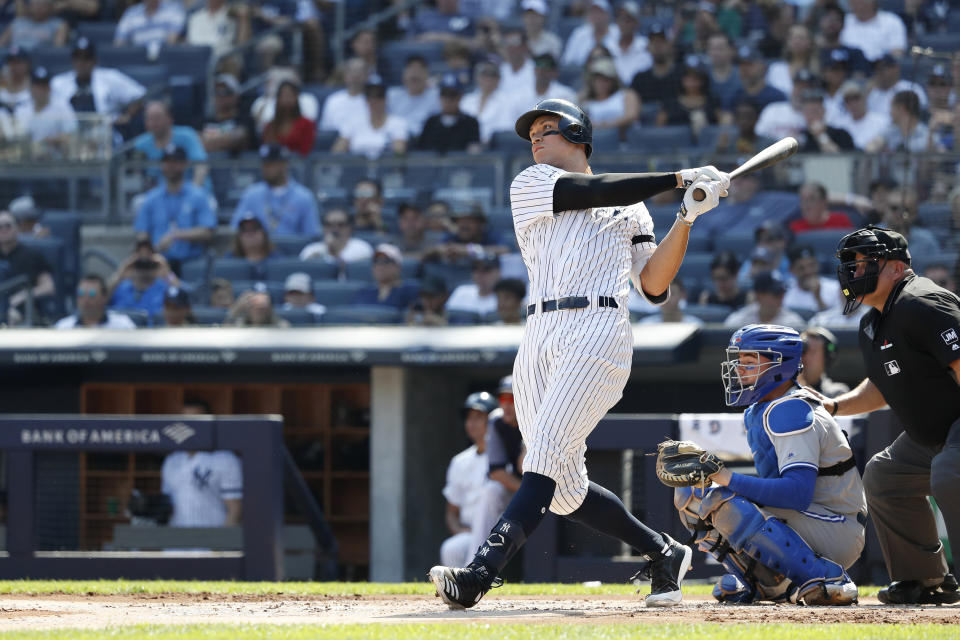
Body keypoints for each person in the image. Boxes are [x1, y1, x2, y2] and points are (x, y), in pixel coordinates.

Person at [428, 97, 730, 609]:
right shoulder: (532, 183)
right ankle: (662, 551)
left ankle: (480, 573)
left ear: (577, 133)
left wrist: (687, 215)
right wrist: (678, 177)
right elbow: (589, 190)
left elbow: (653, 286)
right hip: (539, 333)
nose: (536, 139)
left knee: (541, 457)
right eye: (532, 133)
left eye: (547, 129)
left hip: (599, 328)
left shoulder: (631, 207)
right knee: (564, 489)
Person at [672, 324, 863, 605]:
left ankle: (827, 577)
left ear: (779, 365)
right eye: (738, 361)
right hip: (812, 521)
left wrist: (725, 477)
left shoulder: (791, 409)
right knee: (692, 496)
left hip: (837, 527)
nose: (739, 369)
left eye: (749, 362)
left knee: (723, 499)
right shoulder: (764, 408)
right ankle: (766, 582)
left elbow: (796, 494)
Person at [819, 226, 960, 605]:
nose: (853, 271)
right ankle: (925, 578)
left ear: (896, 267)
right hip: (936, 433)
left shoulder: (923, 301)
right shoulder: (871, 322)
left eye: (864, 262)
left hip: (955, 429)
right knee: (885, 475)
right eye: (850, 264)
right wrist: (834, 406)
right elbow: (881, 386)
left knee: (951, 471)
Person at [463, 376, 525, 567]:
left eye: (512, 400)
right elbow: (496, 472)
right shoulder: (496, 421)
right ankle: (473, 566)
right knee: (492, 490)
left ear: (524, 400)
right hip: (522, 488)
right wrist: (529, 493)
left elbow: (525, 465)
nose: (506, 405)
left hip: (552, 490)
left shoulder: (537, 418)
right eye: (503, 399)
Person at [162, 399, 243, 528]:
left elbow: (235, 509)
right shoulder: (172, 460)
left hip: (211, 540)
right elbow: (166, 505)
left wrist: (223, 545)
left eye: (194, 421)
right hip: (176, 542)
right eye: (185, 421)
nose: (188, 427)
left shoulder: (225, 458)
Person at [133, 144, 216, 270]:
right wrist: (150, 250)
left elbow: (208, 231)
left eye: (175, 162)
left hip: (192, 263)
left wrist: (176, 235)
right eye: (167, 161)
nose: (171, 166)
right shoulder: (151, 198)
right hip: (158, 263)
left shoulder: (198, 195)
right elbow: (142, 233)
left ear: (184, 164)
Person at [440, 391, 498, 568]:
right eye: (469, 417)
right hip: (470, 531)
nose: (471, 423)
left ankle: (470, 582)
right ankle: (458, 590)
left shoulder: (504, 456)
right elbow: (452, 511)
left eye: (478, 417)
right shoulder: (460, 461)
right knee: (451, 547)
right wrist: (459, 530)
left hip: (499, 534)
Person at [51, 38, 145, 127]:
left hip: (104, 133)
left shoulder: (111, 77)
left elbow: (140, 95)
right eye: (78, 58)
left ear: (95, 61)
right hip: (70, 134)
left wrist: (127, 116)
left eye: (86, 58)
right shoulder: (58, 83)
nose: (81, 63)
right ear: (73, 61)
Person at [230, 144, 320, 238]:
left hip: (293, 251)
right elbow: (236, 229)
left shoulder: (303, 196)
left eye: (270, 164)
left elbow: (311, 235)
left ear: (284, 164)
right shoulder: (252, 194)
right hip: (259, 251)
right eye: (264, 164)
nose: (265, 169)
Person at [132, 100, 209, 189]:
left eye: (157, 118)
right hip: (159, 197)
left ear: (170, 118)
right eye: (149, 119)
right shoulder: (140, 144)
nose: (152, 123)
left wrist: (192, 193)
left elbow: (201, 165)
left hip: (193, 193)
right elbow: (136, 174)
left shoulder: (187, 135)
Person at [332, 74, 408, 160]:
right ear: (366, 99)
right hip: (357, 170)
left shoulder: (398, 123)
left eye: (379, 96)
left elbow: (399, 154)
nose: (374, 100)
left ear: (386, 98)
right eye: (370, 96)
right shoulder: (353, 121)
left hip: (385, 171)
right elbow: (337, 153)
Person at [0, 208, 56, 324]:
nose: (3, 229)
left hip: (23, 312)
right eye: (0, 226)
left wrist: (24, 295)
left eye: (8, 225)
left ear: (18, 228)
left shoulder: (32, 255)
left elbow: (48, 287)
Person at [15, 66, 76, 153]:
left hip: (55, 161)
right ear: (31, 88)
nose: (41, 90)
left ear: (49, 88)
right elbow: (16, 137)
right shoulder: (22, 109)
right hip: (27, 159)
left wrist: (46, 142)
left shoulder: (62, 106)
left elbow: (72, 135)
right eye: (37, 86)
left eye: (44, 86)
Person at [417, 73, 481, 153]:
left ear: (460, 97)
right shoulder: (431, 122)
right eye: (444, 95)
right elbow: (421, 152)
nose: (448, 100)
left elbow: (474, 154)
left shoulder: (471, 123)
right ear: (440, 97)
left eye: (452, 95)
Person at [724, 271, 805, 330]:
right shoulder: (742, 319)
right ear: (759, 296)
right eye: (776, 294)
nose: (781, 297)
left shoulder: (792, 322)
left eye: (782, 293)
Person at [54, 274, 137, 329]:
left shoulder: (123, 325)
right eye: (81, 293)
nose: (85, 299)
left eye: (92, 294)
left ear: (104, 298)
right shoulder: (63, 327)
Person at [583, 57, 640, 134]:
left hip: (625, 141)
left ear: (613, 81)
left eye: (606, 79)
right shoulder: (587, 102)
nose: (601, 83)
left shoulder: (627, 95)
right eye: (598, 79)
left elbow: (632, 116)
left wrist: (604, 125)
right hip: (597, 143)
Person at [629, 23, 681, 108]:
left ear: (669, 45)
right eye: (653, 42)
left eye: (661, 41)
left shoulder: (682, 74)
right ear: (648, 47)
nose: (657, 46)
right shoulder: (640, 79)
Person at [200, 74, 255, 154]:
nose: (221, 96)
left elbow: (238, 139)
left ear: (236, 95)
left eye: (226, 92)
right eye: (217, 92)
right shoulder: (203, 120)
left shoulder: (246, 120)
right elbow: (194, 141)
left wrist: (208, 141)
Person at [387, 55, 440, 139]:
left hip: (426, 140)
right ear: (404, 75)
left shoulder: (437, 96)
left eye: (419, 71)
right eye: (411, 72)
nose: (415, 73)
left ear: (427, 75)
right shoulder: (391, 95)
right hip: (396, 139)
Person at [299, 209, 373, 267]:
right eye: (329, 225)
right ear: (323, 228)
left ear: (350, 228)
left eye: (340, 225)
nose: (334, 229)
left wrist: (334, 251)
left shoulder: (361, 248)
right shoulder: (311, 250)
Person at [354, 243, 418, 310]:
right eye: (376, 261)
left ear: (398, 267)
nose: (380, 266)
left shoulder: (410, 291)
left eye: (386, 261)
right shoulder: (363, 293)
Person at [839, 0, 906, 62]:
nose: (854, 3)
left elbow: (898, 52)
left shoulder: (892, 21)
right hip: (847, 68)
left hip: (880, 69)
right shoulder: (844, 20)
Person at [260, 80, 315, 156]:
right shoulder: (270, 126)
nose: (287, 99)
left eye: (290, 95)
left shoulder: (307, 124)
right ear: (278, 99)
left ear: (296, 98)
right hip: (274, 165)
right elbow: (266, 152)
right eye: (283, 96)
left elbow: (305, 152)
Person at [784, 245, 842, 314]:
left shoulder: (835, 288)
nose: (808, 271)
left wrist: (818, 298)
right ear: (792, 270)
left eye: (812, 265)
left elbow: (836, 321)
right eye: (801, 268)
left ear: (817, 264)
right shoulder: (785, 290)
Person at [796, 89, 854, 154]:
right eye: (808, 112)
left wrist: (821, 136)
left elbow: (840, 159)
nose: (811, 116)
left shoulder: (841, 134)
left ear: (824, 111)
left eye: (815, 111)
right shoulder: (800, 137)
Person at [798, 327, 849, 397]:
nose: (804, 357)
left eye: (812, 352)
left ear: (826, 357)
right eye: (803, 351)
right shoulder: (783, 386)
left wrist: (800, 385)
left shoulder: (837, 392)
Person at [788, 182, 854, 235]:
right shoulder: (794, 228)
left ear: (823, 202)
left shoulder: (841, 221)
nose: (806, 205)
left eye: (812, 199)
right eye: (802, 200)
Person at [114, 0, 185, 49]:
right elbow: (119, 42)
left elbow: (172, 41)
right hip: (137, 59)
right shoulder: (131, 13)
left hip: (166, 58)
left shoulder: (174, 10)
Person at [228, 213, 279, 280]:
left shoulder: (277, 259)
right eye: (245, 230)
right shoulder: (230, 260)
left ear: (264, 233)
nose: (250, 233)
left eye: (255, 229)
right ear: (239, 236)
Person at [0, 0, 67, 50]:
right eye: (35, 4)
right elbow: (1, 44)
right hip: (14, 59)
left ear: (50, 7)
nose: (38, 8)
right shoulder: (17, 22)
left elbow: (58, 50)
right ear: (30, 6)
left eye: (43, 5)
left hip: (41, 61)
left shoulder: (58, 25)